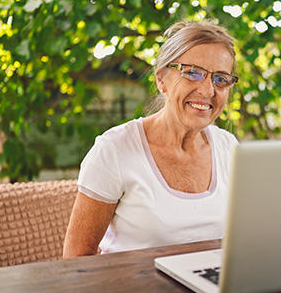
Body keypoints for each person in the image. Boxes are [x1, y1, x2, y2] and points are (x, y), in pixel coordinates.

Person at [63, 20, 240, 257]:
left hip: (210, 290)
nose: (208, 90)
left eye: (221, 79)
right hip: (132, 291)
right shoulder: (114, 149)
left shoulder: (229, 148)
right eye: (193, 73)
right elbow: (75, 260)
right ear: (161, 80)